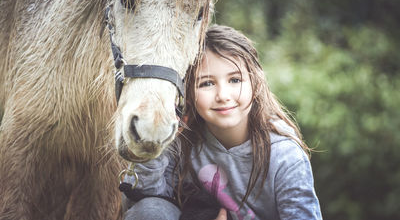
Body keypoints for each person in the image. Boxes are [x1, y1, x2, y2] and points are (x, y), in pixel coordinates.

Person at [123, 25, 322, 220]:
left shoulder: (284, 156)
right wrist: (156, 143)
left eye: (235, 80)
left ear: (256, 83)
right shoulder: (184, 140)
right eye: (207, 83)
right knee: (149, 210)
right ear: (188, 93)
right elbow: (146, 194)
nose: (223, 96)